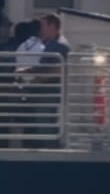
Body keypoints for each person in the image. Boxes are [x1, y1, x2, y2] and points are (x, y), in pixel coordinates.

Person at [18, 13, 71, 148]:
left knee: (45, 123)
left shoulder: (60, 45)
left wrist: (36, 80)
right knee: (40, 122)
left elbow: (58, 70)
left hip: (50, 93)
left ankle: (52, 154)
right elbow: (45, 67)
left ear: (52, 26)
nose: (41, 29)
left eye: (43, 25)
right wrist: (29, 70)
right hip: (45, 91)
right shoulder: (52, 44)